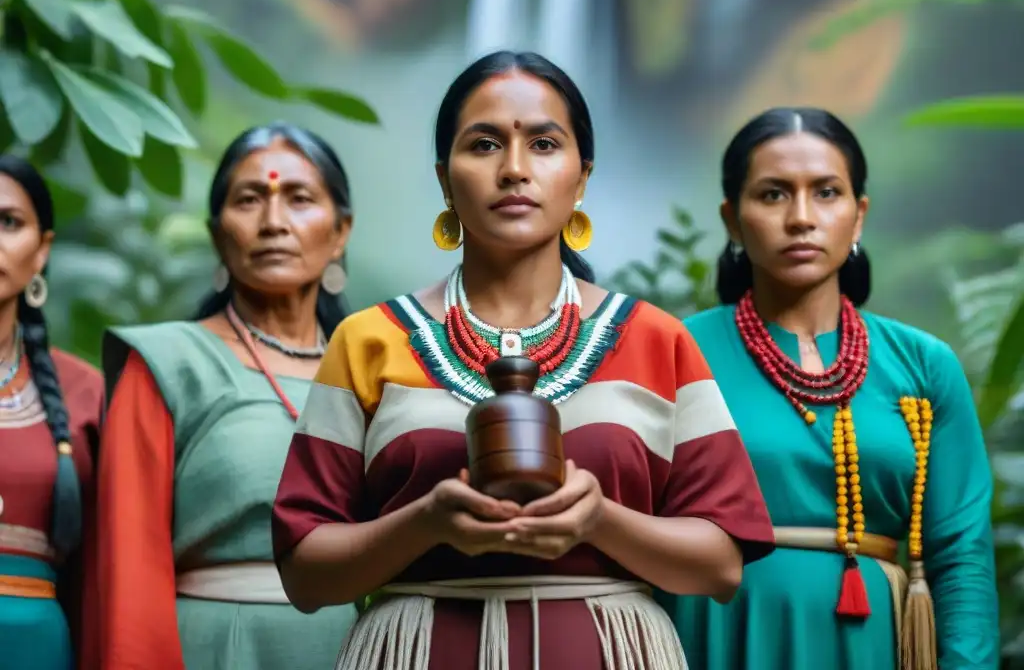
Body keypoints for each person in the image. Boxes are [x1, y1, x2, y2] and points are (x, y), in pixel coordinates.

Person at [271, 50, 776, 670]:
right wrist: (425, 522)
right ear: (444, 178)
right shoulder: (367, 341)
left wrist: (600, 521)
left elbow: (721, 565)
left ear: (581, 177)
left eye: (543, 145)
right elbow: (303, 572)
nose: (514, 170)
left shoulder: (655, 339)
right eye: (484, 146)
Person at [659, 107, 999, 670]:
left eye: (826, 193)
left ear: (858, 214)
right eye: (772, 195)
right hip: (713, 634)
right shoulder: (673, 351)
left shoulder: (924, 365)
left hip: (874, 643)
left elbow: (961, 557)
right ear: (732, 220)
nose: (801, 218)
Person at [94, 123, 359, 669]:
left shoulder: (374, 369)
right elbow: (129, 565)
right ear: (218, 235)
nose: (273, 222)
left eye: (300, 199)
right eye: (249, 199)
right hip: (217, 645)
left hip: (356, 646)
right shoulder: (168, 364)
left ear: (340, 232)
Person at [0, 155, 104, 670]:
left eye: (8, 223)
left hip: (36, 644)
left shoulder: (85, 391)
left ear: (42, 250)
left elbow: (105, 562)